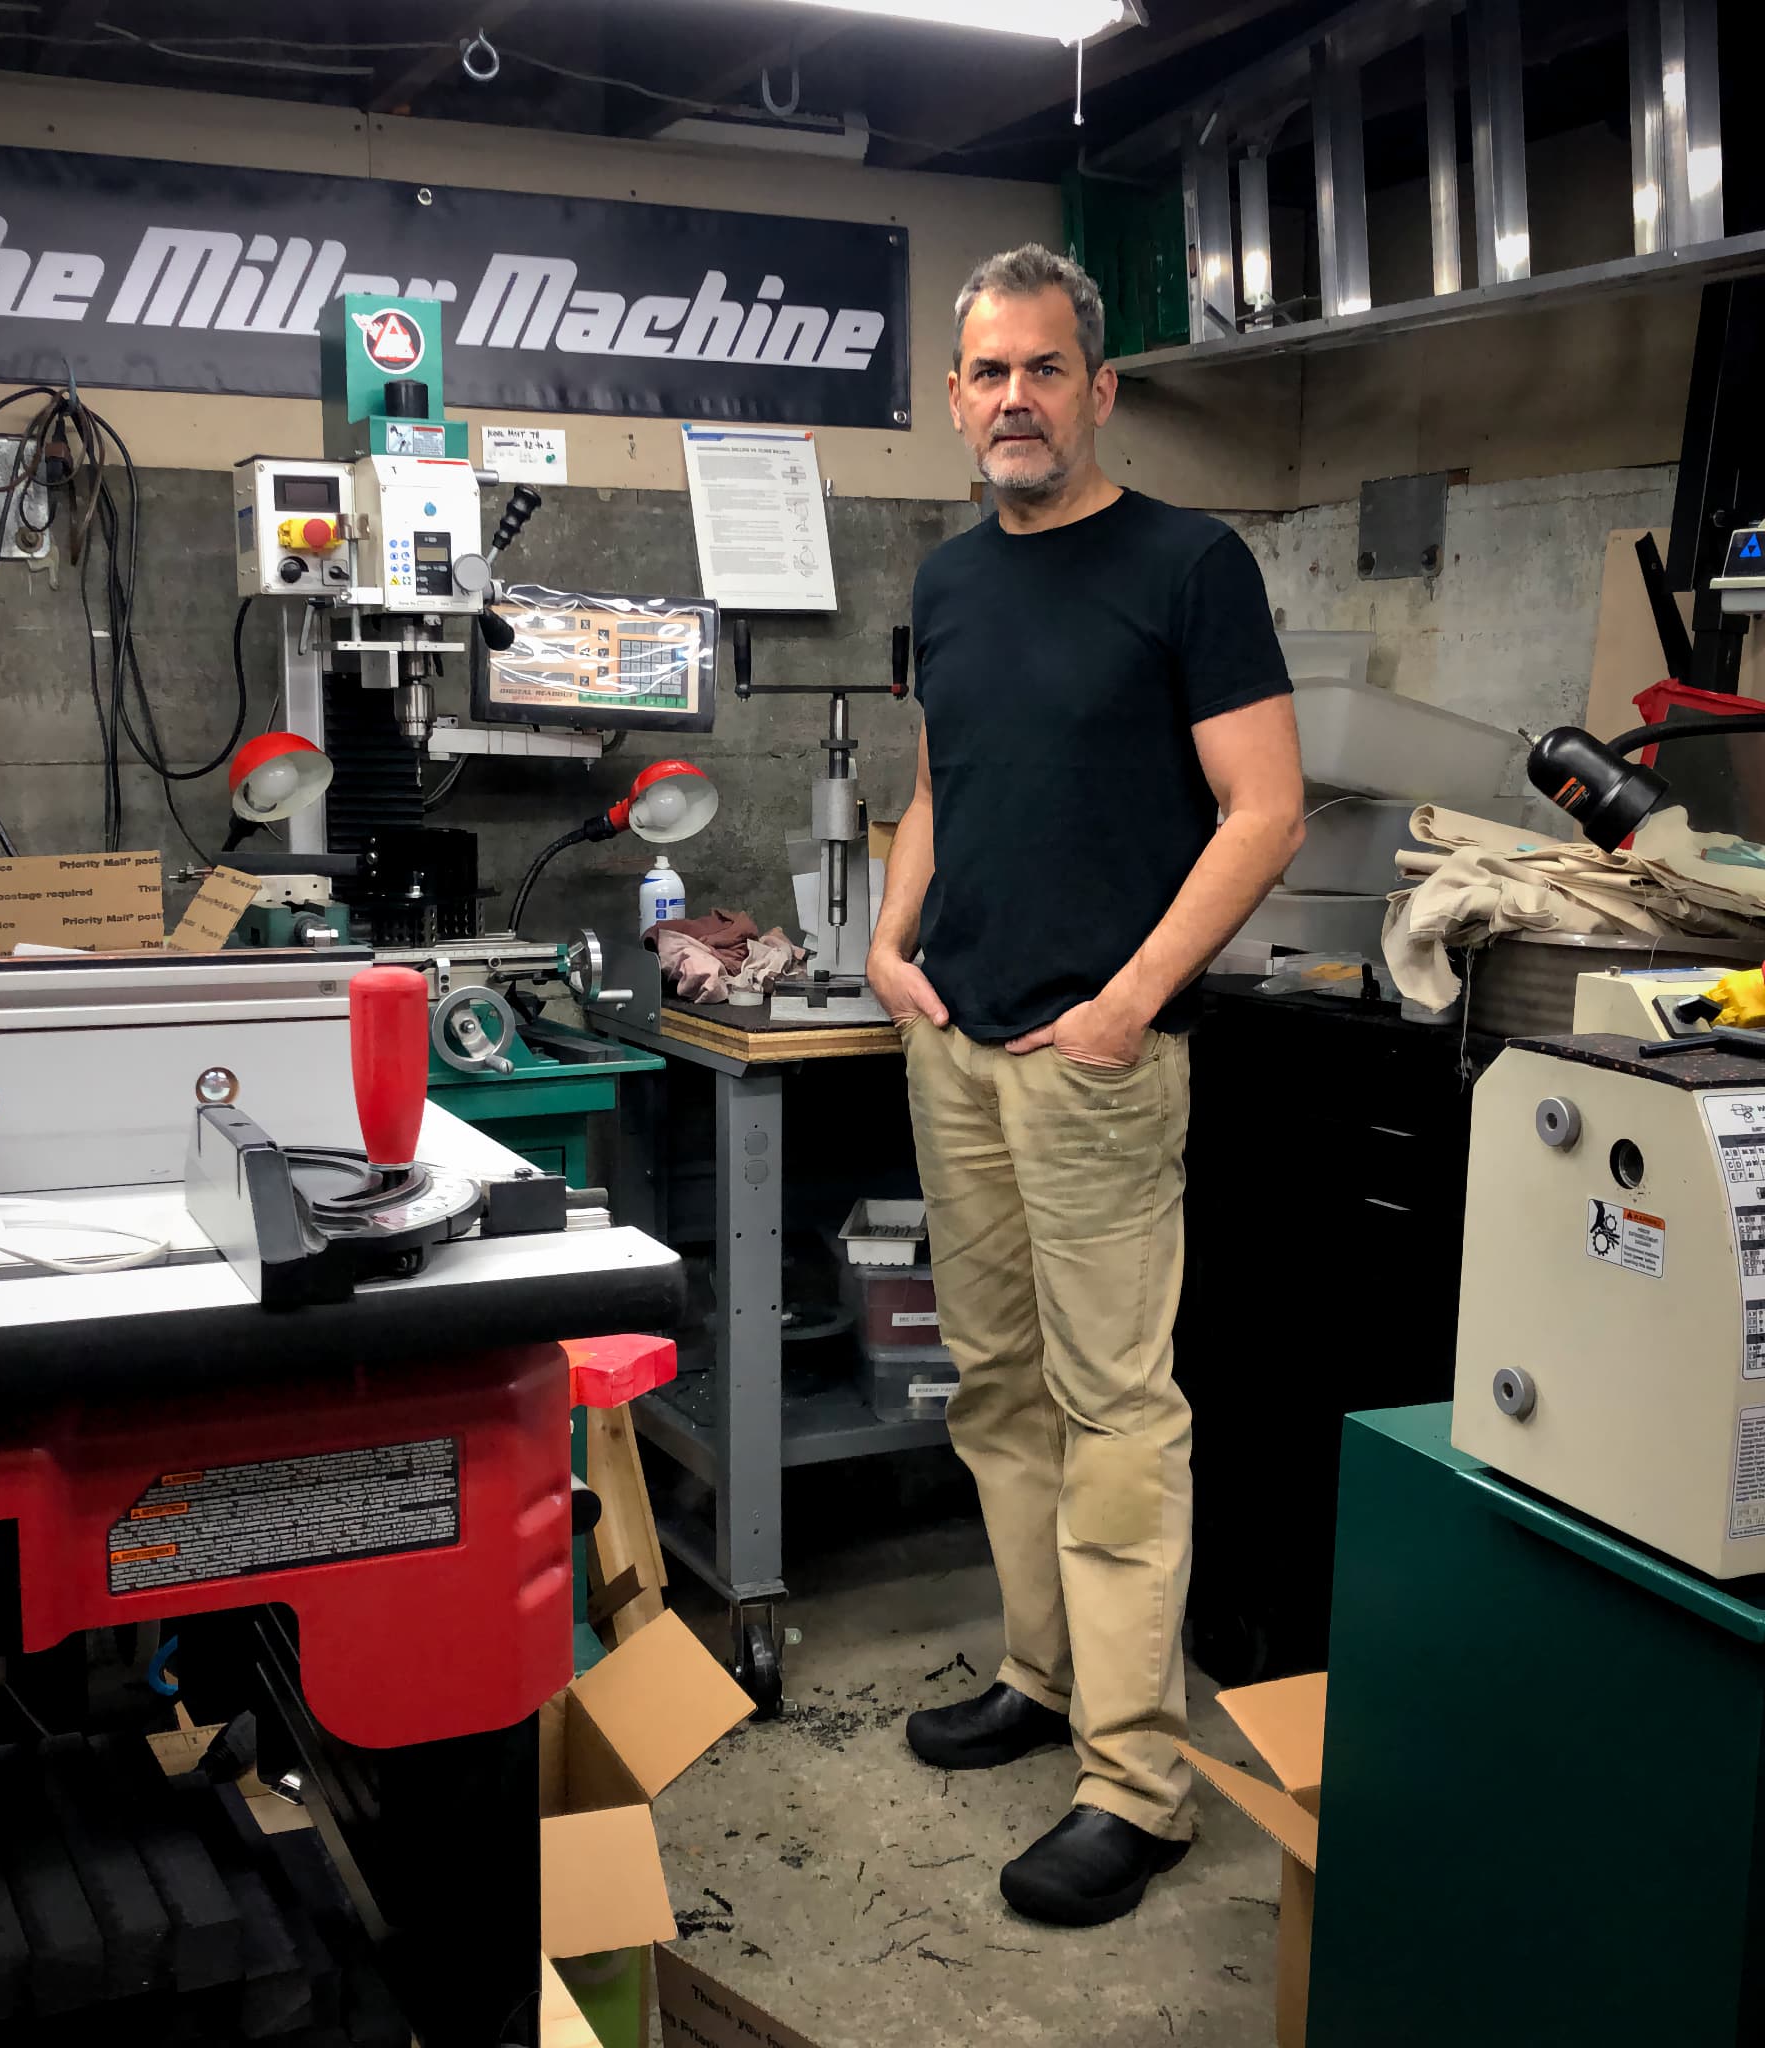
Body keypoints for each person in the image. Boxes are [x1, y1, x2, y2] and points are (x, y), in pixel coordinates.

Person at [867, 243, 1304, 1930]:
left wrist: (1131, 999)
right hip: (958, 1042)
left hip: (1098, 1062)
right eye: (987, 373)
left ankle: (1140, 1783)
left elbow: (1265, 808)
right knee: (997, 1392)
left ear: (1099, 389)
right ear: (958, 394)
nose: (1014, 400)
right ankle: (1041, 1684)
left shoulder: (1192, 565)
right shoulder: (950, 579)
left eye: (1044, 370)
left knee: (1119, 1412)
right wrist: (894, 948)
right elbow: (937, 779)